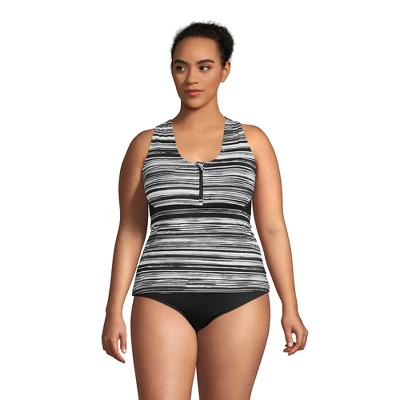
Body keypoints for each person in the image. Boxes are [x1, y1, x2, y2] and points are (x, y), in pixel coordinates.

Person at [102, 21, 308, 399]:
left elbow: (273, 228)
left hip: (240, 296)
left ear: (225, 70)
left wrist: (290, 306)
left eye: (204, 66)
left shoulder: (254, 141)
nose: (191, 78)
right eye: (181, 67)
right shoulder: (145, 144)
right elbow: (131, 230)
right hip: (160, 294)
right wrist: (112, 310)